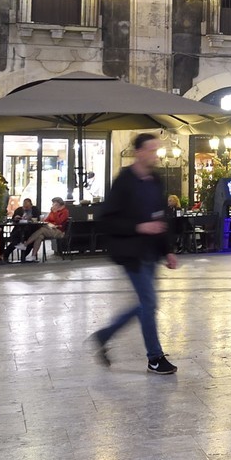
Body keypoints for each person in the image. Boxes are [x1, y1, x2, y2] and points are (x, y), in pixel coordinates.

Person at [88, 133, 179, 375]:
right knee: (149, 303)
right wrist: (139, 227)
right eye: (151, 150)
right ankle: (155, 358)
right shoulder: (124, 181)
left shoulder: (156, 181)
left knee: (145, 305)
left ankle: (103, 335)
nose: (155, 155)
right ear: (138, 152)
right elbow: (106, 221)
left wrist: (168, 250)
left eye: (156, 150)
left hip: (151, 253)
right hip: (131, 252)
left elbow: (160, 217)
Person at [17, 196, 69, 261]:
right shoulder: (52, 211)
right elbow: (47, 220)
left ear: (59, 205)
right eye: (53, 204)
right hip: (51, 228)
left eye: (55, 204)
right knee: (40, 236)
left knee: (41, 230)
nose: (53, 206)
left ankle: (25, 244)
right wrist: (48, 223)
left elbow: (59, 221)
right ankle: (33, 256)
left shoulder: (64, 211)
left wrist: (55, 213)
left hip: (59, 231)